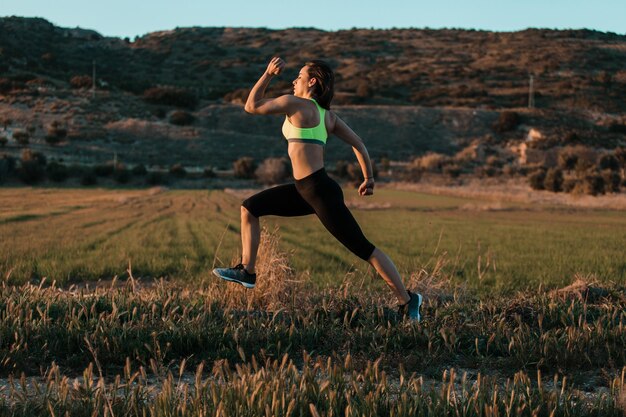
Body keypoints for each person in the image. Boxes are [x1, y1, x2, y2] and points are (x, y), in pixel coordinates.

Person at [213, 57, 423, 321]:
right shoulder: (328, 117)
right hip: (305, 190)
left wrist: (267, 74)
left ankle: (408, 300)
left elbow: (251, 105)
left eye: (299, 76)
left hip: (319, 191)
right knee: (250, 207)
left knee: (364, 249)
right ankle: (247, 271)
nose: (294, 80)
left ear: (312, 82)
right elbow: (360, 144)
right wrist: (368, 177)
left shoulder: (296, 104)